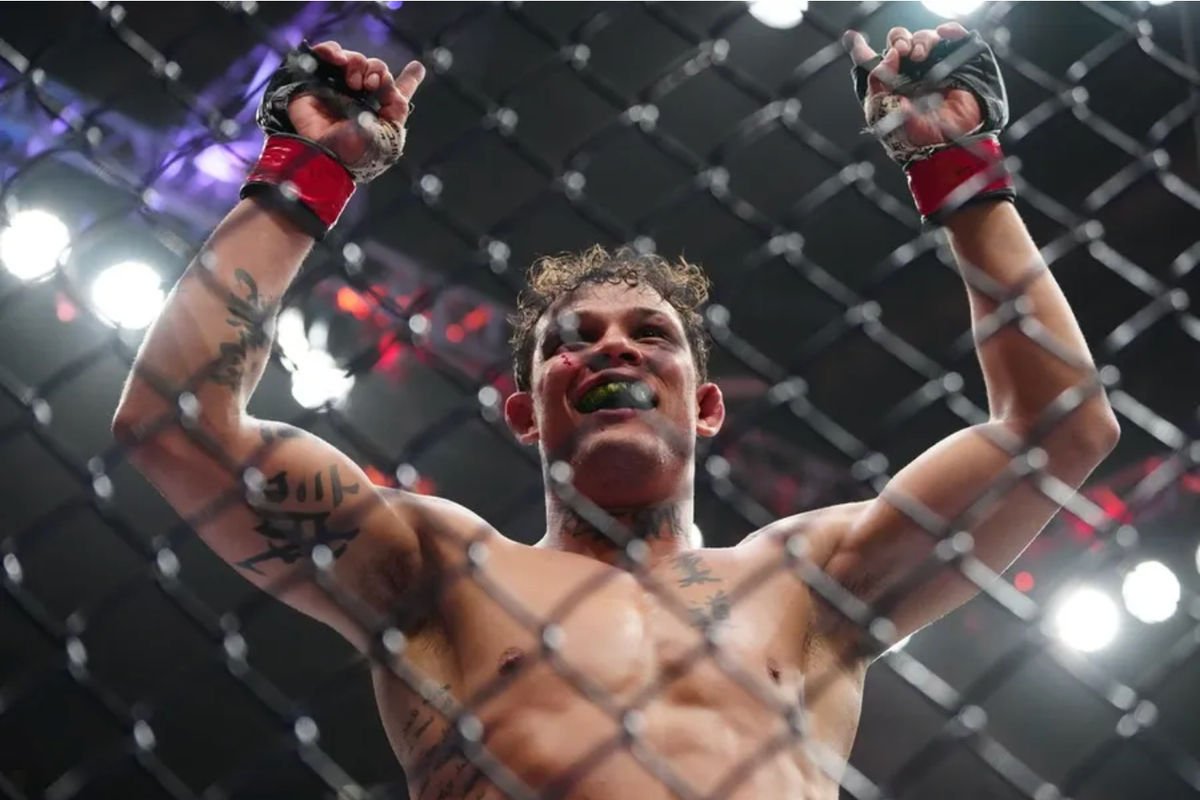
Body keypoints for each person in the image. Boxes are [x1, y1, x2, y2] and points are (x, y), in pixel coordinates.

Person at [112, 22, 1120, 800]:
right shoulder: (441, 568)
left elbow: (1062, 426)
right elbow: (174, 424)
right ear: (524, 413)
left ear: (708, 405)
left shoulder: (812, 579)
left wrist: (959, 170)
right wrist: (305, 174)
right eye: (570, 337)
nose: (609, 345)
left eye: (650, 332)